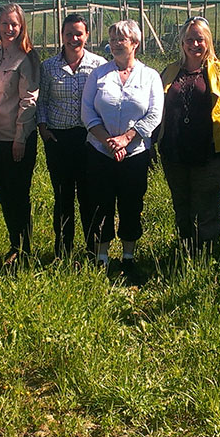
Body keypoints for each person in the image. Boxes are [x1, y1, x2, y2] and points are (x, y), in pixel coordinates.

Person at [158, 17, 220, 255]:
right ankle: (185, 252)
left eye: (200, 39)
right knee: (182, 206)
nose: (195, 44)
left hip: (211, 153)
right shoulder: (169, 72)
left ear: (208, 41)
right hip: (174, 153)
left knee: (206, 208)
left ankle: (206, 256)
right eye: (190, 39)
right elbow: (156, 111)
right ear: (182, 42)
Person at [81, 20, 163, 269]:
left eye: (122, 39)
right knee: (101, 203)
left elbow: (154, 114)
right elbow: (86, 111)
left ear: (135, 43)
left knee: (131, 203)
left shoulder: (149, 76)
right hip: (99, 152)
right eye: (113, 39)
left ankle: (128, 257)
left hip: (135, 154)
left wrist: (127, 138)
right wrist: (107, 141)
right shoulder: (99, 74)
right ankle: (102, 257)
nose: (116, 44)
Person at [37, 13, 106, 259]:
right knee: (63, 197)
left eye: (79, 33)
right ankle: (63, 251)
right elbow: (41, 101)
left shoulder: (99, 65)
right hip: (59, 140)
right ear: (62, 36)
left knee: (89, 197)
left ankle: (92, 249)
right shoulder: (49, 67)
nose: (74, 38)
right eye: (69, 34)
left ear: (87, 35)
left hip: (89, 139)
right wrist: (44, 130)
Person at [0, 3, 40, 265]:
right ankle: (13, 243)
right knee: (3, 194)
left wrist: (20, 138)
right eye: (5, 23)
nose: (9, 28)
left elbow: (29, 100)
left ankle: (25, 248)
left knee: (19, 194)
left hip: (17, 139)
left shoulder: (26, 57)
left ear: (21, 27)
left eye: (14, 24)